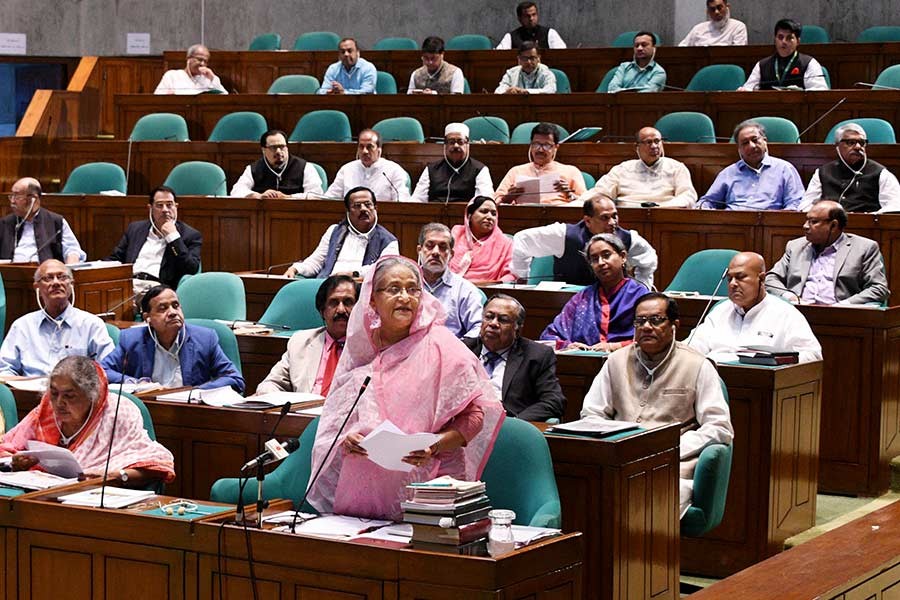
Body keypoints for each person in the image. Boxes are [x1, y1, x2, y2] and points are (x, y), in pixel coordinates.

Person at [306, 256, 504, 520]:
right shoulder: (361, 345)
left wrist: (433, 445)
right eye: (394, 289)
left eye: (413, 289)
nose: (405, 297)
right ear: (372, 300)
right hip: (365, 485)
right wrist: (347, 438)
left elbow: (476, 416)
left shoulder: (444, 348)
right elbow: (340, 414)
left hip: (429, 485)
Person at [581, 292, 733, 516]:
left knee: (644, 502)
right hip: (618, 462)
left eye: (656, 320)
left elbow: (720, 427)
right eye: (640, 321)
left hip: (672, 467)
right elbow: (591, 414)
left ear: (674, 325)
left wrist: (672, 446)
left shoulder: (698, 365)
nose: (646, 327)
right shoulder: (615, 361)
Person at [0, 356, 175, 487]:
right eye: (54, 393)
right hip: (43, 495)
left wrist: (114, 476)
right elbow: (7, 449)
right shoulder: (46, 410)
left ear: (92, 395)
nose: (59, 402)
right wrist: (15, 463)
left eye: (70, 396)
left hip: (97, 501)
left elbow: (155, 465)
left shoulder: (117, 413)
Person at [101, 285, 245, 392]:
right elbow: (102, 371)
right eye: (162, 308)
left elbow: (235, 379)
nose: (172, 312)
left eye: (175, 306)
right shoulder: (132, 340)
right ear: (147, 318)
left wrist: (197, 391)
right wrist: (135, 383)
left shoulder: (205, 339)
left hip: (191, 411)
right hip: (151, 409)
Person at [687, 252, 822, 363]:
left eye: (740, 277)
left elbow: (813, 355)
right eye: (729, 279)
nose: (733, 284)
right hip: (715, 379)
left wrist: (777, 362)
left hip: (761, 384)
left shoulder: (785, 313)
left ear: (762, 279)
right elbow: (693, 346)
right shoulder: (721, 310)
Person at [510, 196, 658, 288]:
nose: (613, 223)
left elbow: (649, 261)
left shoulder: (628, 238)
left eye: (615, 216)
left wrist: (642, 288)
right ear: (587, 221)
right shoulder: (563, 234)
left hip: (614, 300)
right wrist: (522, 278)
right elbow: (522, 240)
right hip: (570, 301)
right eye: (605, 218)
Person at [0, 260, 114, 377]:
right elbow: (4, 369)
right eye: (48, 278)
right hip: (29, 392)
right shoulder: (22, 326)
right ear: (37, 287)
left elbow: (108, 369)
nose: (56, 282)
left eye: (62, 277)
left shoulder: (91, 324)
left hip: (77, 393)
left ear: (71, 284)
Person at [463, 294, 566, 421]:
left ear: (517, 329)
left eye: (503, 320)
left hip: (509, 425)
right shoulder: (463, 350)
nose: (493, 324)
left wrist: (516, 423)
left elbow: (553, 402)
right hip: (464, 425)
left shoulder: (536, 355)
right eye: (489, 317)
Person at [766, 201, 890, 305]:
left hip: (841, 318)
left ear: (834, 225)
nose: (805, 226)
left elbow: (879, 288)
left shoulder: (864, 248)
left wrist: (843, 306)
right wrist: (790, 297)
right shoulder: (795, 246)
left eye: (813, 222)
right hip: (797, 313)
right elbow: (770, 278)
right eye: (806, 220)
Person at [541, 233, 649, 350]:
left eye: (606, 255)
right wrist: (568, 346)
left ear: (622, 256)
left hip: (626, 362)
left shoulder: (640, 295)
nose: (601, 263)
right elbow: (549, 336)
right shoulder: (583, 298)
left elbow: (651, 337)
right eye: (594, 259)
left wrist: (615, 346)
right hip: (585, 363)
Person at [256, 275, 358, 395]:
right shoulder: (300, 343)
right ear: (322, 311)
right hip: (305, 411)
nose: (341, 310)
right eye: (334, 303)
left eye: (348, 302)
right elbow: (270, 384)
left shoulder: (372, 347)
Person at [104, 185, 201, 296]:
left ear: (176, 207)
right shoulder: (135, 229)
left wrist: (173, 238)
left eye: (169, 205)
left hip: (158, 289)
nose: (165, 210)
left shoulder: (190, 235)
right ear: (150, 208)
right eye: (159, 205)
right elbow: (116, 258)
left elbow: (191, 268)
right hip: (129, 284)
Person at [284, 187, 399, 279]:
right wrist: (295, 269)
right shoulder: (334, 231)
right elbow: (316, 261)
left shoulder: (389, 241)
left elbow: (385, 270)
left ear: (375, 208)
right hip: (327, 286)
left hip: (360, 290)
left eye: (368, 204)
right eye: (357, 206)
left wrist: (353, 274)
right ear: (348, 212)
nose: (363, 209)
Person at [579, 127, 697, 208]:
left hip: (664, 215)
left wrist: (662, 208)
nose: (654, 146)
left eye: (657, 141)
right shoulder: (622, 169)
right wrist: (574, 204)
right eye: (649, 142)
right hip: (627, 217)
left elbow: (688, 196)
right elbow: (599, 193)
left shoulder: (676, 167)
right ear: (637, 146)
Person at [698, 120, 804, 210]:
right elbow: (706, 202)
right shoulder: (728, 173)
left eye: (755, 140)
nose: (752, 146)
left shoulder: (784, 169)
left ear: (765, 141)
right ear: (739, 149)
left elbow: (796, 203)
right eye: (745, 143)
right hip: (732, 226)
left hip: (771, 227)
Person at [800, 123, 900, 213]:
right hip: (829, 226)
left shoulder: (880, 173)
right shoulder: (823, 172)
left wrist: (871, 217)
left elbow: (894, 206)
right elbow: (806, 205)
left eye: (862, 143)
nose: (857, 147)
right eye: (850, 142)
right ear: (837, 146)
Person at [417, 223, 483, 338]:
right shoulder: (406, 286)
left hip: (451, 352)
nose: (436, 252)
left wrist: (456, 348)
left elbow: (478, 327)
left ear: (451, 254)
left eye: (443, 247)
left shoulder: (466, 290)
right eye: (430, 246)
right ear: (419, 250)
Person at [494, 122, 586, 205]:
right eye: (536, 144)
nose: (540, 150)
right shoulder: (516, 171)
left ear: (556, 147)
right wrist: (507, 198)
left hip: (560, 216)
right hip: (524, 217)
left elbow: (586, 203)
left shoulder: (571, 171)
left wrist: (569, 194)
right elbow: (495, 201)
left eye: (546, 145)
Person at [2, 177, 85, 264]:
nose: (12, 201)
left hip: (46, 274)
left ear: (33, 199)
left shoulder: (56, 221)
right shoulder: (4, 223)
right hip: (9, 274)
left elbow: (72, 250)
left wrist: (70, 268)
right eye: (11, 196)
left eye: (17, 196)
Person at [410, 123, 494, 203]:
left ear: (467, 145)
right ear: (445, 146)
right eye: (451, 142)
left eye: (460, 142)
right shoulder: (431, 169)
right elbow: (417, 200)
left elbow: (484, 202)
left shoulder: (480, 169)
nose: (456, 146)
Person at [230, 129, 324, 199]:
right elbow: (236, 191)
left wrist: (289, 197)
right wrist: (258, 195)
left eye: (282, 147)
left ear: (287, 147)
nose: (278, 151)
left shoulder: (305, 167)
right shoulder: (253, 169)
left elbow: (317, 195)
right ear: (263, 150)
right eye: (273, 147)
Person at [738, 19, 827, 91]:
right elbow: (748, 89)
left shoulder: (809, 63)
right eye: (780, 37)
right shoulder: (762, 65)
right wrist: (744, 90)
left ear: (798, 41)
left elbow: (819, 92)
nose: (783, 41)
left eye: (789, 38)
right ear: (775, 39)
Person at [324, 129, 410, 202]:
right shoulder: (347, 169)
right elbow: (329, 199)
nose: (365, 151)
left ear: (379, 150)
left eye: (369, 147)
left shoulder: (394, 170)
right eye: (361, 147)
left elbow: (402, 203)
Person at [449, 197, 515, 283]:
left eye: (494, 214)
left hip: (487, 290)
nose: (489, 217)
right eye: (484, 211)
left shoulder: (506, 244)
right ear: (469, 215)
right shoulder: (456, 234)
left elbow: (512, 274)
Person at [154, 44, 227, 95]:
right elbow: (157, 97)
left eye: (206, 61)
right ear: (188, 59)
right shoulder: (172, 75)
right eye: (199, 59)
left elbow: (225, 96)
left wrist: (212, 77)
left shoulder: (208, 78)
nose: (202, 64)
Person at [496, 1, 566, 50]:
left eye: (534, 14)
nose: (531, 18)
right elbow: (499, 55)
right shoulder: (511, 36)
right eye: (527, 16)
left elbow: (561, 54)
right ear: (519, 18)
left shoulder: (550, 33)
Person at [678, 0, 748, 46]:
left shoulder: (738, 27)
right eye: (712, 9)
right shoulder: (698, 29)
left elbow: (738, 53)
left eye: (719, 8)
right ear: (708, 12)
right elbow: (681, 49)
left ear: (727, 7)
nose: (716, 12)